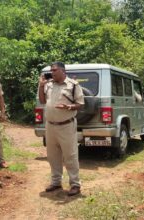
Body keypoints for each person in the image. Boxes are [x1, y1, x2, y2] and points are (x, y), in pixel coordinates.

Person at [38, 61, 84, 196]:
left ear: (63, 71)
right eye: (51, 70)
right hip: (50, 125)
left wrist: (69, 107)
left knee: (70, 155)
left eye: (54, 70)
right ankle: (56, 182)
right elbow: (42, 101)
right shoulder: (48, 85)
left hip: (66, 125)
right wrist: (41, 86)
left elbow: (80, 103)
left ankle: (75, 184)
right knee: (53, 156)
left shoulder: (73, 85)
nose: (52, 73)